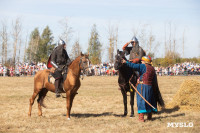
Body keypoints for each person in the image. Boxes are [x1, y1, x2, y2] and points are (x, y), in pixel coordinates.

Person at [122, 56, 158, 122]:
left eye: (142, 60)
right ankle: (149, 116)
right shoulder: (152, 68)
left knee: (141, 100)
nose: (141, 61)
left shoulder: (143, 66)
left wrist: (126, 62)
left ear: (145, 61)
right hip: (150, 87)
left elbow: (134, 66)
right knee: (149, 100)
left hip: (142, 86)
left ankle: (141, 117)